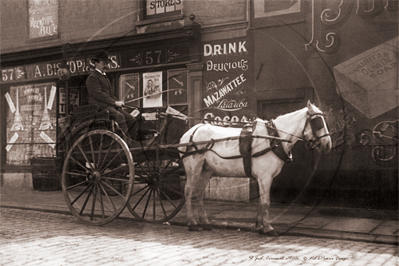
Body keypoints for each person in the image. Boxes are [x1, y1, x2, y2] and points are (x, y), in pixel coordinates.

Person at [86, 50, 137, 141]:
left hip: (108, 106)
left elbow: (110, 95)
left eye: (107, 63)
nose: (106, 65)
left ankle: (132, 140)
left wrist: (118, 102)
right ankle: (126, 143)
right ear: (96, 63)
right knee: (120, 117)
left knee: (131, 119)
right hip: (99, 107)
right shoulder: (92, 77)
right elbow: (99, 95)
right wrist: (114, 102)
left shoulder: (104, 77)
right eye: (104, 63)